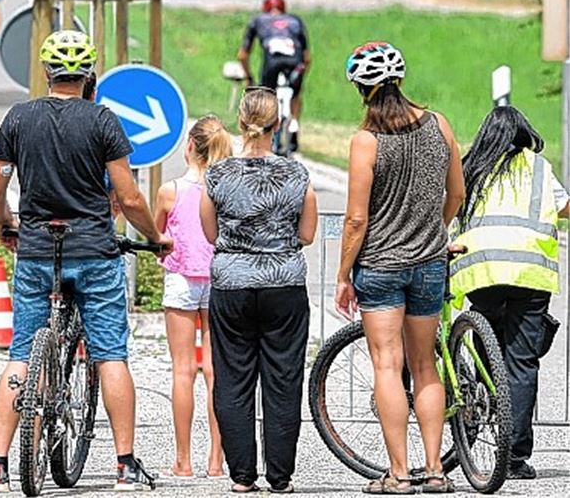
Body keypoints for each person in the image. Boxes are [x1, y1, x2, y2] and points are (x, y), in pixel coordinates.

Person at [0, 30, 172, 492]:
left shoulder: (19, 119)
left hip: (36, 250)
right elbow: (127, 196)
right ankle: (126, 466)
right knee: (110, 355)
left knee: (21, 354)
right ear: (90, 75)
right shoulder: (103, 121)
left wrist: (8, 223)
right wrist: (155, 236)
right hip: (93, 251)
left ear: (46, 73)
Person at [334, 41, 464, 495]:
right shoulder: (440, 126)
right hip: (429, 262)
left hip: (381, 264)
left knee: (388, 367)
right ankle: (436, 471)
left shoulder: (365, 142)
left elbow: (355, 219)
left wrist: (343, 275)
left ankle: (399, 475)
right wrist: (433, 230)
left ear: (360, 88)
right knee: (426, 366)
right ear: (400, 81)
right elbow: (457, 195)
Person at [199, 90, 318, 494]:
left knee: (233, 379)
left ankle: (241, 475)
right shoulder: (297, 174)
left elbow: (210, 233)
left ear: (240, 122)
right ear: (278, 125)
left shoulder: (216, 175)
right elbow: (307, 233)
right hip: (283, 284)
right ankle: (280, 474)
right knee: (282, 379)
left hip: (232, 283)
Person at [452, 105, 565, 481]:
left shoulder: (471, 166)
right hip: (530, 274)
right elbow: (564, 208)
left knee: (489, 351)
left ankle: (481, 412)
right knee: (522, 362)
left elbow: (450, 208)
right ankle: (514, 457)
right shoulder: (538, 168)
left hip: (481, 272)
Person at [154, 115, 231, 480]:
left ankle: (183, 459)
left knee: (183, 370)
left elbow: (158, 235)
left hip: (182, 280)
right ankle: (217, 459)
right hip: (218, 281)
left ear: (189, 147)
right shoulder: (224, 190)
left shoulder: (170, 190)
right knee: (217, 371)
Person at [237, 0, 310, 149]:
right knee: (296, 94)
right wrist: (301, 79)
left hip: (272, 63)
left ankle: (265, 130)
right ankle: (294, 125)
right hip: (295, 62)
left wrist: (248, 77)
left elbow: (242, 55)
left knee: (266, 96)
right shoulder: (295, 21)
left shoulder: (258, 20)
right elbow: (307, 58)